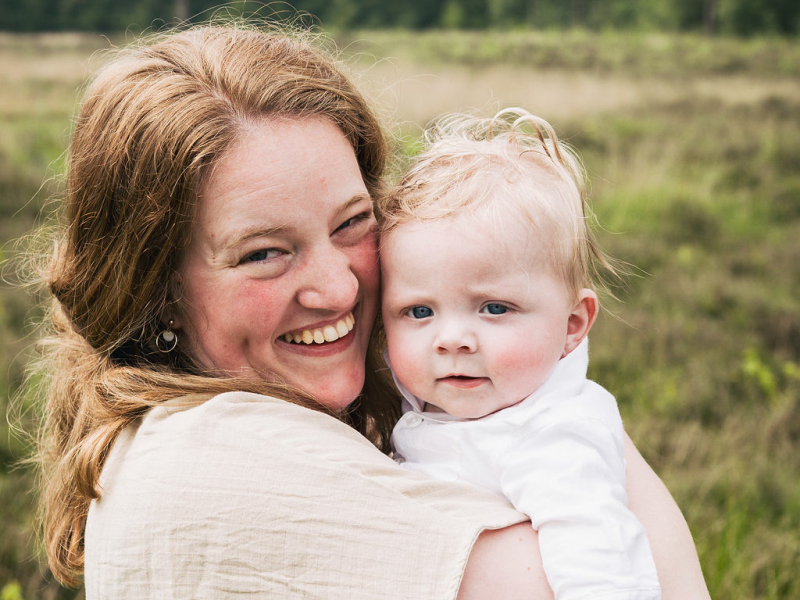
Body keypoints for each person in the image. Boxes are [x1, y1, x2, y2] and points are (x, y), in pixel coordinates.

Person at [31, 23, 710, 599]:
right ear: (158, 289)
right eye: (265, 253)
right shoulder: (214, 460)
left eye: (354, 222)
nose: (339, 288)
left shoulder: (369, 403)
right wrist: (564, 400)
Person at [380, 109, 659, 600]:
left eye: (494, 308)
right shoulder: (430, 397)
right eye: (419, 311)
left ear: (571, 326)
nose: (452, 339)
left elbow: (602, 565)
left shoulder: (554, 436)